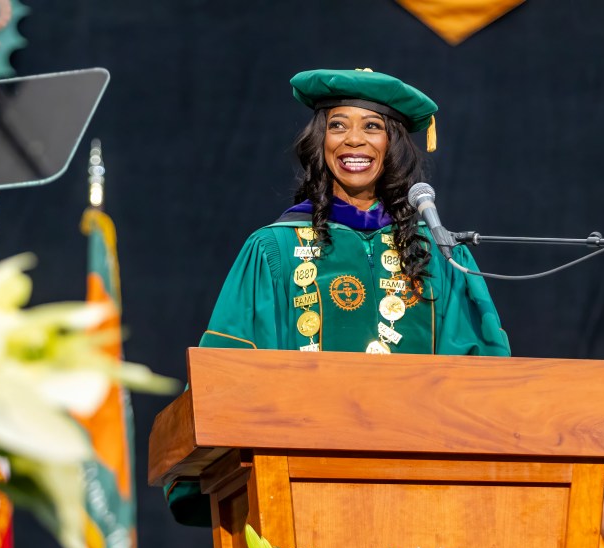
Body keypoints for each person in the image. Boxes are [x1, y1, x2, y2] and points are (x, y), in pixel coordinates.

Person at [165, 68, 511, 524]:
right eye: (338, 125)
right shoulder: (276, 250)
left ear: (394, 145)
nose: (353, 141)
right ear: (319, 142)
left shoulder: (441, 255)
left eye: (371, 127)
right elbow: (232, 370)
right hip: (302, 486)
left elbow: (478, 376)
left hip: (422, 490)